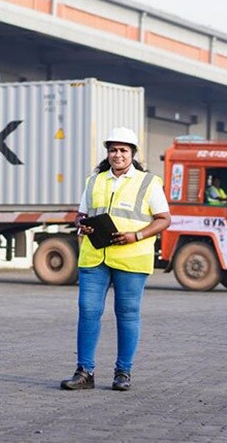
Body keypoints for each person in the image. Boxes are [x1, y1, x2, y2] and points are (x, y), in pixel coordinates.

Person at [60, 127, 171, 392]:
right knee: (88, 311)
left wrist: (136, 236)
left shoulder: (148, 183)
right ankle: (84, 372)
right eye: (113, 150)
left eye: (123, 150)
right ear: (107, 153)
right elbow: (81, 215)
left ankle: (123, 372)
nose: (117, 155)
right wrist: (82, 225)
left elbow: (164, 219)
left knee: (127, 314)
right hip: (94, 257)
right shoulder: (94, 181)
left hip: (132, 259)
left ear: (133, 153)